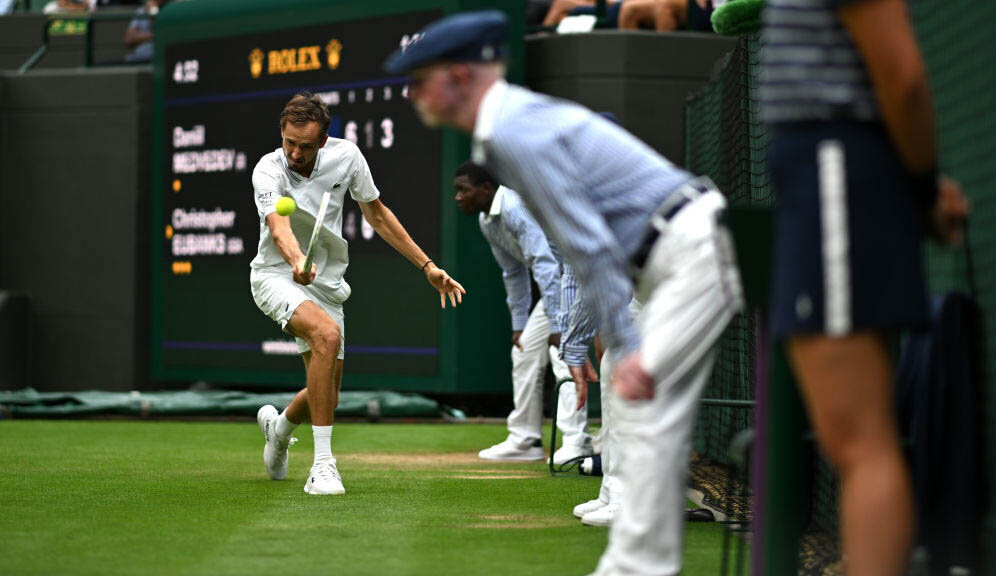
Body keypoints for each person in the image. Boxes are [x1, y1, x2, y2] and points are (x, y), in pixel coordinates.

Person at [384, 11, 743, 575]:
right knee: (638, 403)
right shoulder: (507, 126)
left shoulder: (512, 132)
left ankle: (633, 566)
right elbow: (581, 247)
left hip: (689, 252)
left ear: (460, 76)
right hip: (666, 257)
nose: (411, 94)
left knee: (643, 405)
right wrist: (587, 343)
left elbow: (585, 244)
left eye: (420, 79)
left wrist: (616, 339)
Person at [761, 1, 969, 574]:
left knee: (860, 441)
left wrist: (923, 190)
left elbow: (904, 79)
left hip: (835, 169)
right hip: (824, 174)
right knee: (851, 439)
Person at [251, 92, 465, 495]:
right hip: (276, 275)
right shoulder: (268, 169)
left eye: (305, 146)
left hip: (327, 283)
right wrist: (296, 260)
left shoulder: (346, 157)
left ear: (323, 140)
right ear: (281, 135)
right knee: (326, 335)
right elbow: (278, 227)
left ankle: (278, 431)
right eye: (289, 143)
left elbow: (377, 215)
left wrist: (427, 266)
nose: (295, 153)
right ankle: (323, 466)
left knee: (327, 394)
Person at [453, 161, 593, 464]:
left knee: (563, 353)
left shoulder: (515, 208)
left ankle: (577, 442)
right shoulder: (487, 222)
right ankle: (525, 440)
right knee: (525, 350)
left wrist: (557, 325)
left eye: (464, 190)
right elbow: (513, 272)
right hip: (558, 285)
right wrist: (519, 324)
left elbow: (545, 264)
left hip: (579, 279)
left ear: (486, 189)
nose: (458, 197)